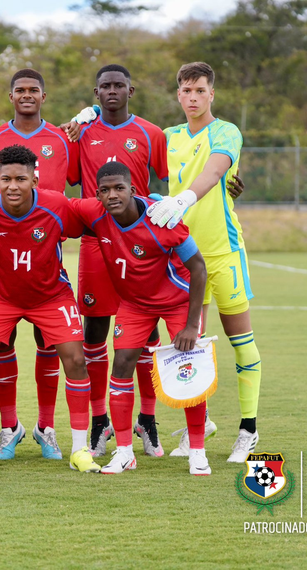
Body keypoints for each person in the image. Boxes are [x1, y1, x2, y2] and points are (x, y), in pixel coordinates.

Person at [0, 145, 99, 474]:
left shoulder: (56, 205)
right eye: (5, 179)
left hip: (51, 296)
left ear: (34, 180)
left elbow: (95, 217)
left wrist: (149, 206)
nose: (13, 186)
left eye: (21, 179)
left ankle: (79, 450)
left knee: (77, 360)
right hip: (1, 297)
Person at [147, 62, 261, 462]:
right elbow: (129, 156)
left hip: (223, 251)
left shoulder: (226, 131)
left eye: (200, 90)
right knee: (191, 345)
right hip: (184, 255)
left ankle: (248, 429)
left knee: (240, 341)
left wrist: (183, 199)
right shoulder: (167, 137)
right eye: (186, 90)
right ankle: (202, 424)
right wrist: (91, 116)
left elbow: (214, 171)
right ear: (178, 94)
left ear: (212, 93)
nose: (193, 97)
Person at [69, 161, 212, 475]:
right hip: (135, 304)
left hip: (176, 301)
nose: (112, 195)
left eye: (119, 188)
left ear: (133, 190)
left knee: (188, 368)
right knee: (121, 364)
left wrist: (192, 325)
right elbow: (57, 204)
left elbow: (199, 268)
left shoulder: (162, 218)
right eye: (105, 190)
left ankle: (197, 452)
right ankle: (124, 452)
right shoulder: (95, 213)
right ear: (97, 195)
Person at [0, 68, 80, 461]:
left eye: (33, 89)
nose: (26, 95)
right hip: (2, 256)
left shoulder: (63, 138)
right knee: (0, 343)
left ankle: (46, 427)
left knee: (48, 342)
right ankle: (9, 427)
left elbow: (81, 187)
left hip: (46, 253)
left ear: (44, 96)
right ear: (10, 96)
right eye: (19, 90)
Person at [69, 64, 169, 459]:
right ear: (96, 93)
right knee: (94, 331)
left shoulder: (151, 133)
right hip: (96, 242)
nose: (112, 91)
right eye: (105, 86)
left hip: (140, 244)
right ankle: (100, 420)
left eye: (119, 85)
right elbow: (70, 179)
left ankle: (147, 418)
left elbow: (172, 179)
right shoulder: (81, 133)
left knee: (146, 330)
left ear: (131, 90)